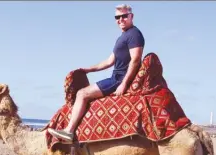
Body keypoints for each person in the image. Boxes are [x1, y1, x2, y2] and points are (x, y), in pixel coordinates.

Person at [48, 4, 145, 142]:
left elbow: (135, 60)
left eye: (124, 16)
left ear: (131, 16)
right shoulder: (123, 37)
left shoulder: (134, 34)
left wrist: (123, 84)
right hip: (116, 77)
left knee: (82, 94)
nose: (121, 19)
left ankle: (68, 131)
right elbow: (109, 62)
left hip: (118, 79)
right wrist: (88, 69)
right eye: (117, 17)